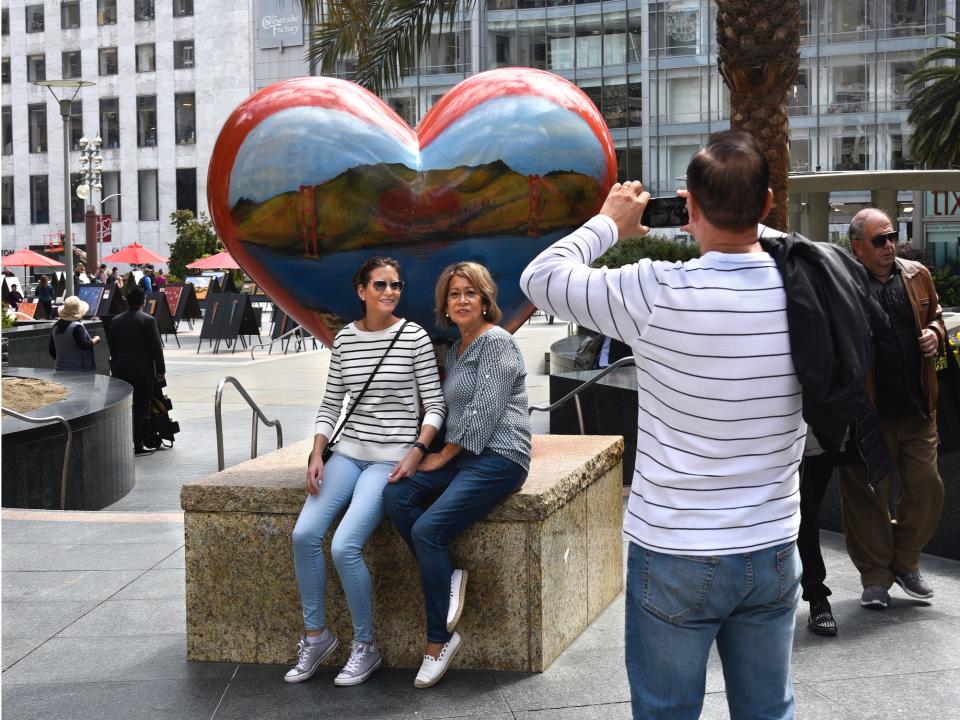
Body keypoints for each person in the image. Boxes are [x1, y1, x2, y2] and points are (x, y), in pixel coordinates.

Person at [521, 130, 806, 719]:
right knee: (769, 710)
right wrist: (740, 214)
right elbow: (793, 244)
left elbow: (539, 280)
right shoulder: (804, 288)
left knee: (665, 711)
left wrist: (610, 222)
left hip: (676, 547)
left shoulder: (655, 289)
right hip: (773, 544)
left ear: (689, 209)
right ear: (769, 204)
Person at [287, 257, 445, 688]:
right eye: (380, 285)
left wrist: (416, 450)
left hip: (390, 458)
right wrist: (317, 453)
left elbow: (435, 403)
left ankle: (365, 646)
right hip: (348, 453)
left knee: (344, 546)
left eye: (396, 285)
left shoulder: (413, 336)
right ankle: (316, 636)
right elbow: (330, 402)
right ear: (361, 291)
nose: (390, 292)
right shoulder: (345, 340)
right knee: (304, 535)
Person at [382, 262, 531, 689]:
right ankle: (447, 577)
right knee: (396, 497)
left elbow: (484, 411)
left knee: (428, 529)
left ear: (486, 300)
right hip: (463, 458)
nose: (462, 301)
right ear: (445, 306)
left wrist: (441, 455)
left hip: (501, 457)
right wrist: (419, 451)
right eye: (454, 295)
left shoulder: (497, 342)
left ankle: (437, 643)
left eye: (470, 293)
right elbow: (446, 409)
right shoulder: (457, 347)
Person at [838, 208, 945, 609]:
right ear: (857, 247)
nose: (889, 246)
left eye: (892, 236)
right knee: (866, 498)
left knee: (927, 488)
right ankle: (876, 578)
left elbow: (935, 315)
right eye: (879, 240)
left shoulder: (917, 274)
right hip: (865, 414)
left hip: (918, 407)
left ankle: (904, 561)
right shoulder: (842, 282)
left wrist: (935, 333)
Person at [107, 286, 166, 456]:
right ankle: (138, 444)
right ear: (143, 301)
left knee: (125, 407)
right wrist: (161, 369)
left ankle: (123, 441)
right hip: (143, 371)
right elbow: (156, 348)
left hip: (121, 370)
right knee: (141, 407)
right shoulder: (148, 320)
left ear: (127, 301)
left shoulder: (116, 321)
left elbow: (113, 347)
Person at [48, 296, 101, 371]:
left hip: (59, 368)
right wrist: (96, 339)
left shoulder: (56, 326)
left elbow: (52, 351)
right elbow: (85, 345)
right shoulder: (77, 327)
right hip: (78, 370)